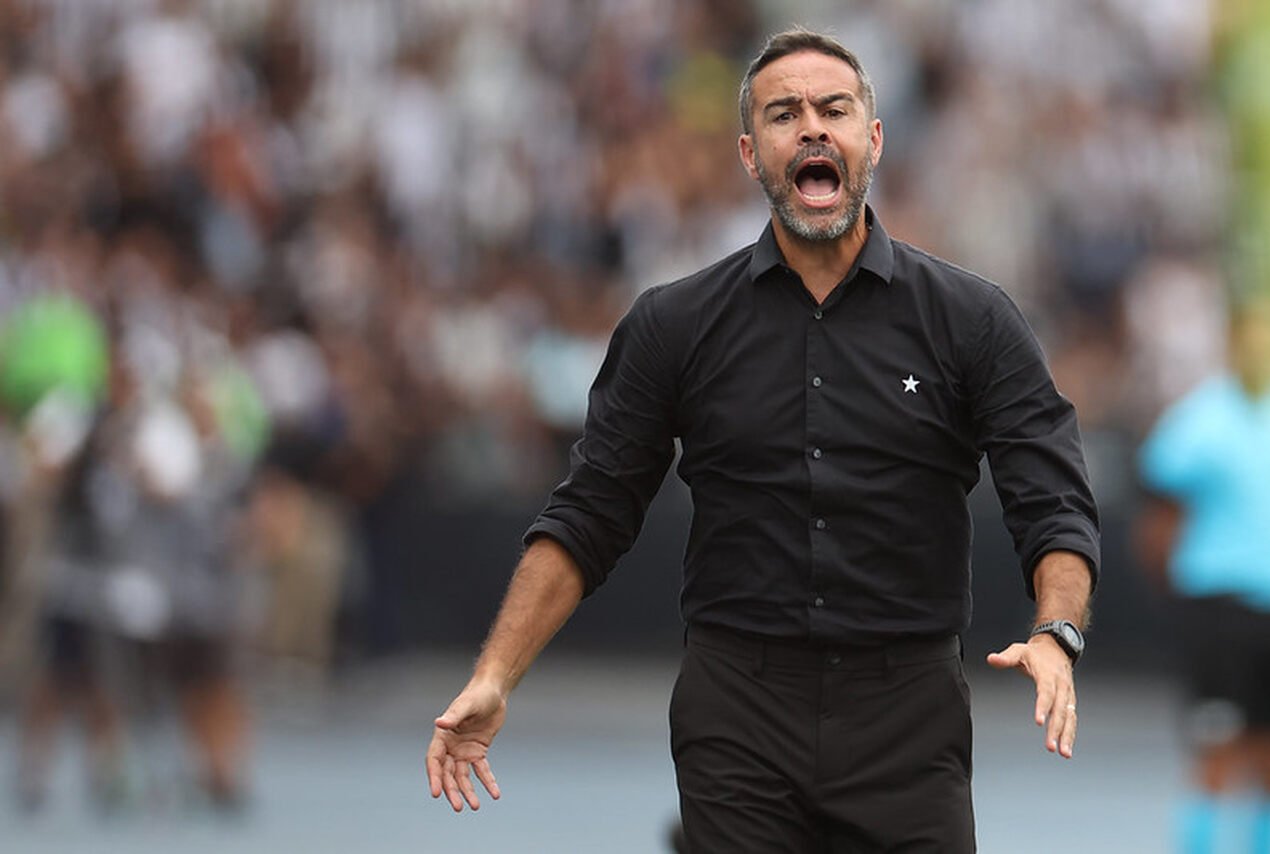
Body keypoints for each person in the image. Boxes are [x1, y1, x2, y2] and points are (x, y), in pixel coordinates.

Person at [426, 29, 1099, 851]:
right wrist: (495, 675)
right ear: (751, 153)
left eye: (834, 109)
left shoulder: (972, 319)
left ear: (873, 140)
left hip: (908, 716)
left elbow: (1054, 502)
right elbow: (588, 514)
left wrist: (1055, 633)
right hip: (737, 708)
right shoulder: (674, 325)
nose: (812, 127)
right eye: (785, 115)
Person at [1136, 301, 1270, 854]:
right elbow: (1157, 511)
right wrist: (1177, 593)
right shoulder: (1200, 419)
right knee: (1216, 749)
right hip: (1221, 612)